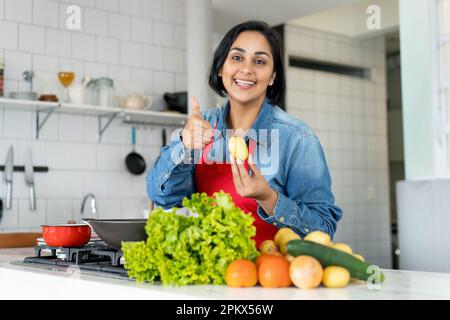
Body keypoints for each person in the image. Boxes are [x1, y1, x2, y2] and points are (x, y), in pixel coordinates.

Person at [147, 20, 342, 247]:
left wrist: (269, 198)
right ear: (221, 68)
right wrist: (183, 145)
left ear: (272, 76)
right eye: (237, 57)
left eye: (260, 61)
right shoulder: (201, 126)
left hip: (270, 275)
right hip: (213, 276)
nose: (247, 68)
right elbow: (164, 198)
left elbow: (323, 228)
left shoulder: (298, 139)